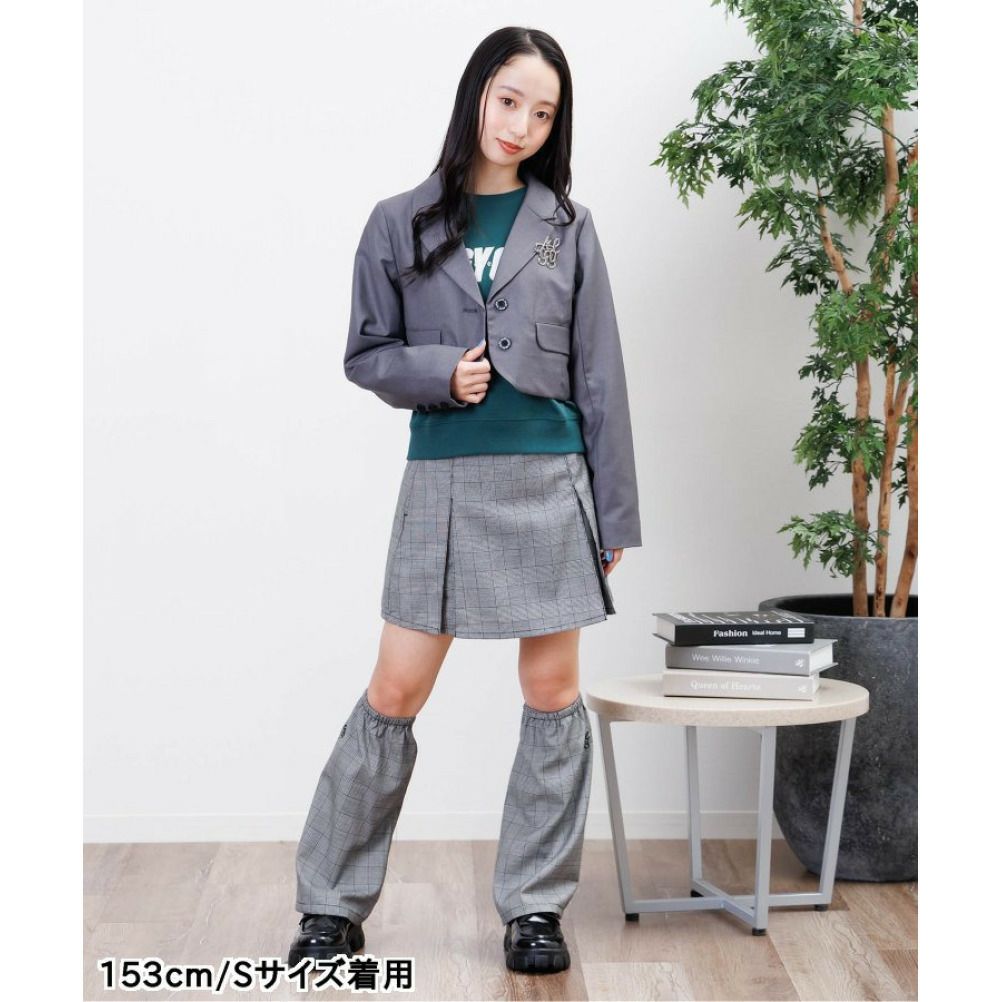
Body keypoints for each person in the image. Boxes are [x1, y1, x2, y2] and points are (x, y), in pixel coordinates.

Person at [288, 25, 642, 976]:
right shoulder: (396, 222)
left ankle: (535, 907)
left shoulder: (569, 226)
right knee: (395, 692)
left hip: (551, 480)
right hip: (442, 481)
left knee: (552, 696)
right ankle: (329, 902)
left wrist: (614, 514)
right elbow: (366, 353)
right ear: (476, 94)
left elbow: (602, 375)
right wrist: (442, 373)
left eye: (544, 112)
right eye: (509, 100)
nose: (522, 124)